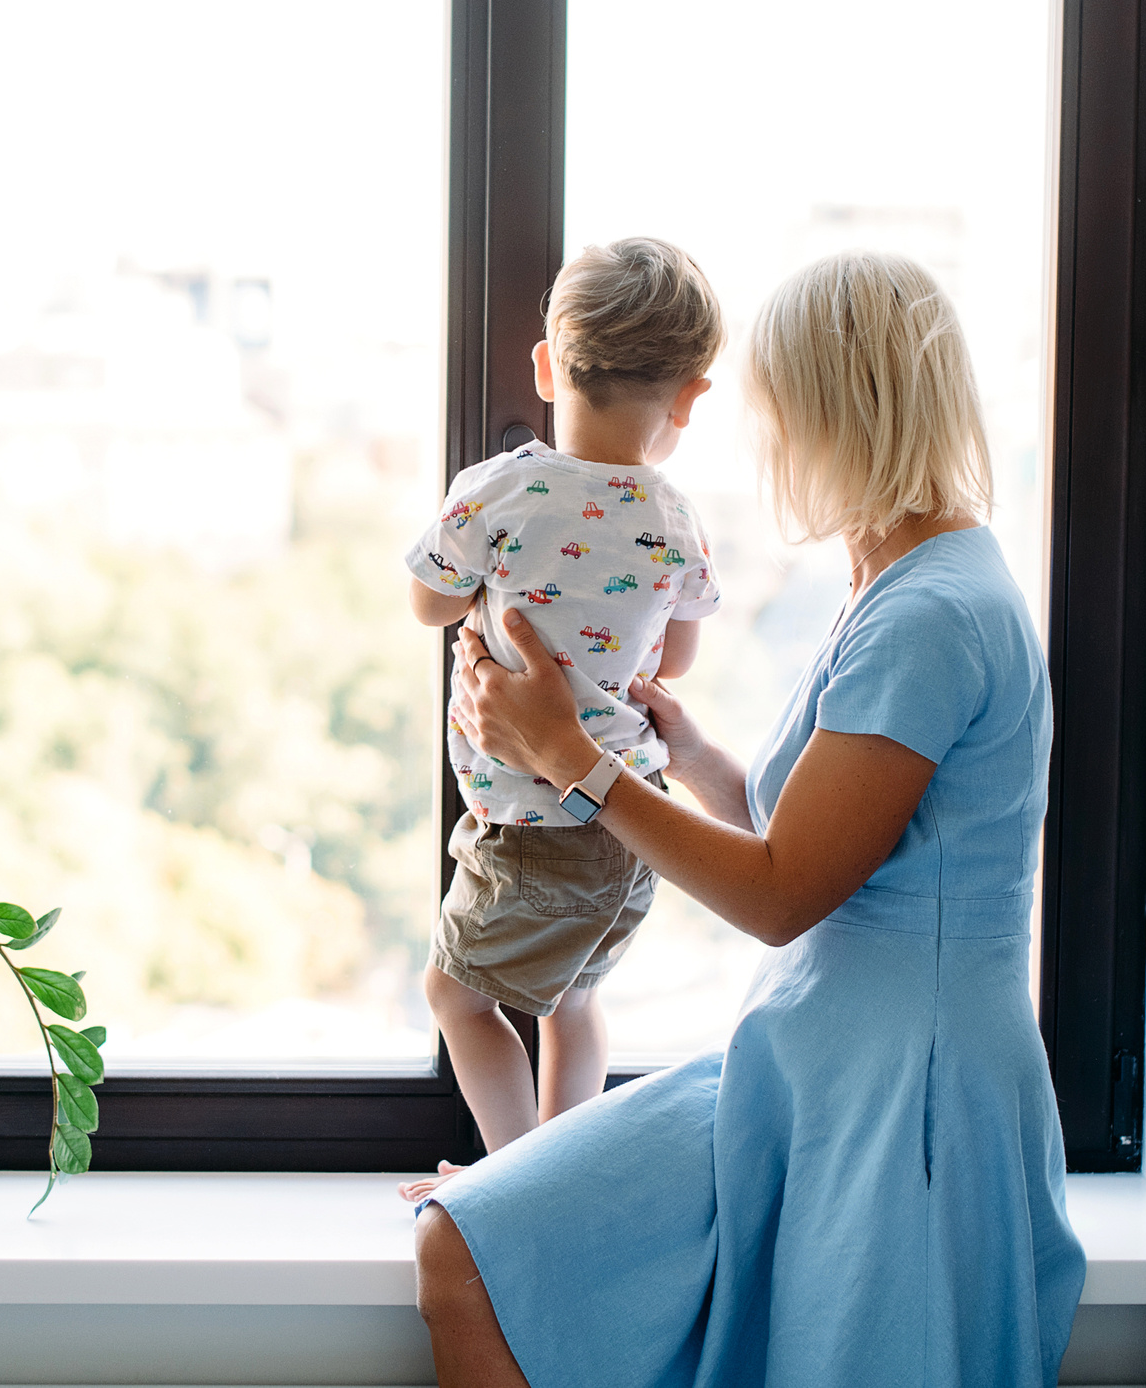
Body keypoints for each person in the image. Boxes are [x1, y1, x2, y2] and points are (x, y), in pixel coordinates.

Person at [413, 251, 1086, 1387]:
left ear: (835, 415)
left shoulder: (929, 615)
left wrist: (570, 760)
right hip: (812, 1058)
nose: (763, 444)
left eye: (776, 413)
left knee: (472, 1253)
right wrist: (690, 756)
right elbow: (824, 834)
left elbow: (780, 896)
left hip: (892, 1090)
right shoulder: (901, 584)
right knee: (473, 1245)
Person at [399, 237, 725, 1203]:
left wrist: (483, 603)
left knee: (453, 993)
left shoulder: (497, 489)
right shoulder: (674, 516)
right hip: (629, 824)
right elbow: (675, 661)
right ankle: (560, 1179)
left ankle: (511, 1184)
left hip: (530, 832)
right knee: (573, 1001)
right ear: (690, 397)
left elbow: (427, 603)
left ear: (548, 365)